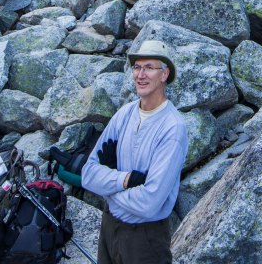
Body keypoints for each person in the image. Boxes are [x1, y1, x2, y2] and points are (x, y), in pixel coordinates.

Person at [81, 40, 189, 264]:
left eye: (149, 67)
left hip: (145, 238)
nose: (140, 75)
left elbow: (150, 203)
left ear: (164, 74)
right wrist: (125, 180)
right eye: (137, 67)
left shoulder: (173, 128)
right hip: (109, 226)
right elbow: (88, 174)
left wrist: (107, 189)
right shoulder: (125, 114)